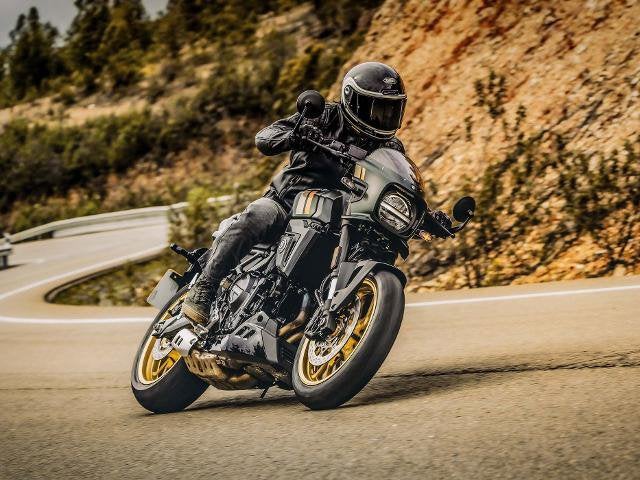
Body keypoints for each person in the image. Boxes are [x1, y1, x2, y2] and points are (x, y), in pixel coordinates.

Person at [182, 62, 412, 324]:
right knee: (257, 216)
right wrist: (295, 135)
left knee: (374, 246)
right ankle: (205, 287)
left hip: (339, 220)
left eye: (390, 110)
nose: (383, 117)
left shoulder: (391, 147)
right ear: (353, 100)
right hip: (287, 205)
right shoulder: (325, 116)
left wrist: (421, 208)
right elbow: (265, 137)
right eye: (376, 109)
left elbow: (396, 180)